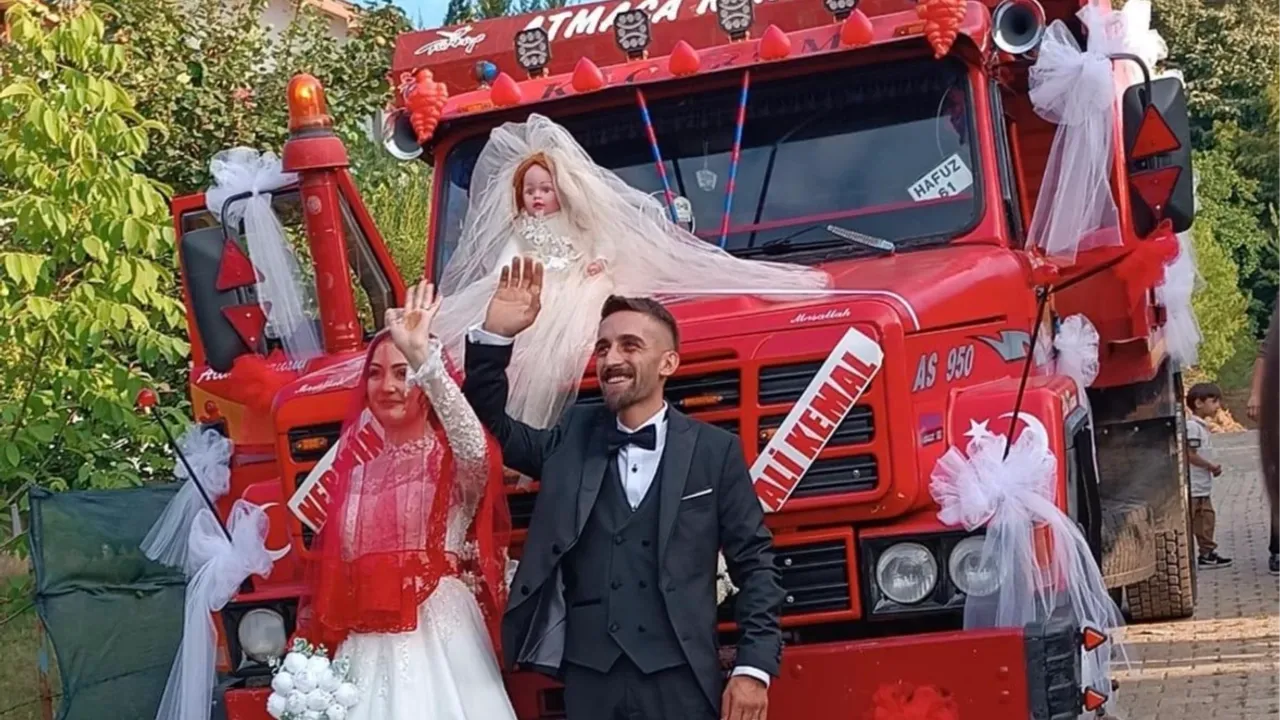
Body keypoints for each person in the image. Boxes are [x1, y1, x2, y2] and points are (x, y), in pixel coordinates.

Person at [461, 257, 784, 720]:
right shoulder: (570, 435)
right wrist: (496, 337)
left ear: (668, 362)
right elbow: (488, 423)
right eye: (603, 348)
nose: (611, 359)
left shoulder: (715, 451)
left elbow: (755, 564)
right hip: (589, 681)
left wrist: (753, 667)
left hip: (683, 679)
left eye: (630, 346)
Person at [432, 113, 831, 438]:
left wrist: (599, 260)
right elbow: (510, 260)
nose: (536, 196)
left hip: (577, 286)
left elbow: (599, 238)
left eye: (545, 189)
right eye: (529, 190)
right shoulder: (523, 229)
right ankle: (527, 438)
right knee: (509, 357)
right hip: (540, 292)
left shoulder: (579, 220)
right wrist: (506, 277)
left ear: (564, 190)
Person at [305, 282, 517, 720]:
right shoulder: (354, 471)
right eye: (375, 373)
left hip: (438, 635)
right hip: (363, 644)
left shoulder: (453, 461)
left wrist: (424, 360)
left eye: (403, 373)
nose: (387, 386)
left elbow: (475, 446)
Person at [1186, 382, 1231, 569]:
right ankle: (1197, 554)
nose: (1217, 406)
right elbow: (1190, 454)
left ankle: (1207, 552)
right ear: (1198, 403)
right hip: (1194, 486)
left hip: (1202, 486)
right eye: (1214, 401)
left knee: (1206, 520)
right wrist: (1210, 466)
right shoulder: (1192, 427)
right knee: (1195, 520)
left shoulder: (1201, 427)